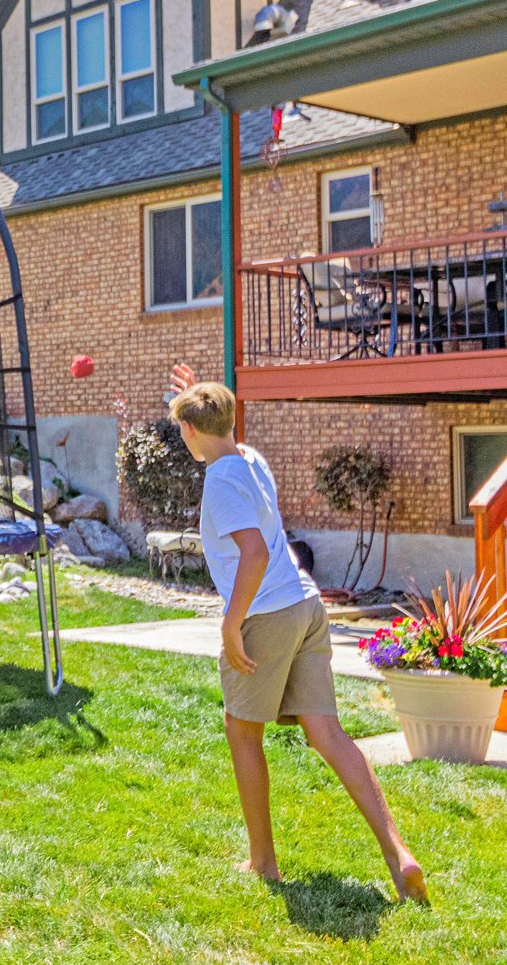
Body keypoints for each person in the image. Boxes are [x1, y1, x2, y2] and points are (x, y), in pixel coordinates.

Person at [167, 364, 427, 903]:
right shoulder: (251, 460)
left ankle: (263, 863)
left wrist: (231, 623)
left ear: (189, 431)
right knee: (327, 733)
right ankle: (399, 856)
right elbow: (221, 429)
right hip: (307, 605)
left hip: (268, 613)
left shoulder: (219, 481)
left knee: (242, 731)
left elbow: (254, 555)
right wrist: (196, 396)